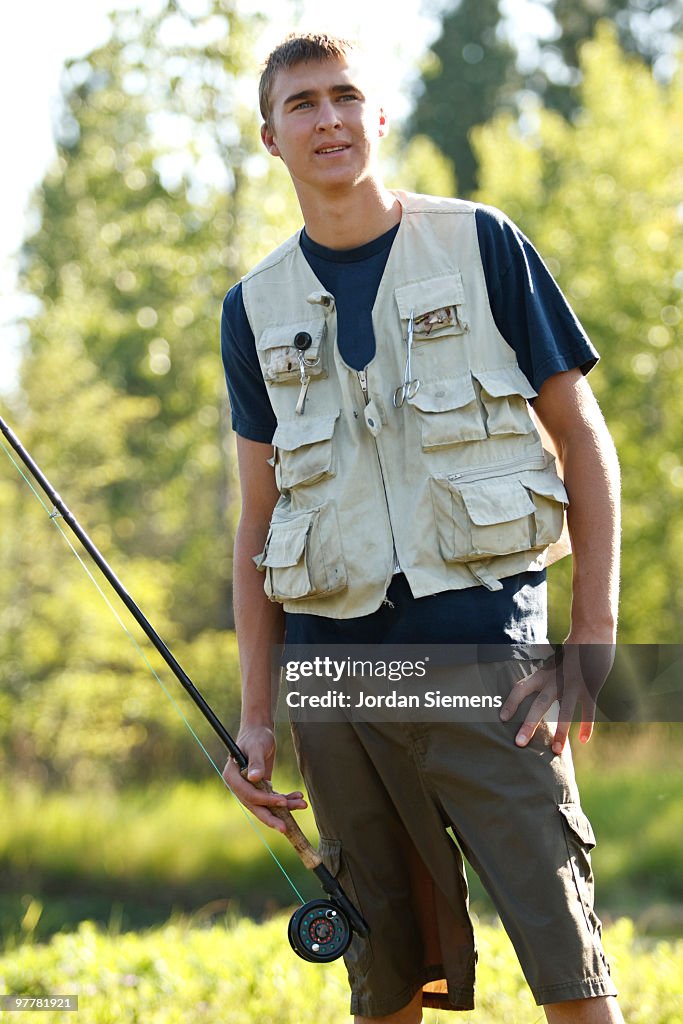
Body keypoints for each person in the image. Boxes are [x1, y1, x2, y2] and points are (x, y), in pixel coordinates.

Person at [221, 32, 623, 1024]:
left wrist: (591, 637)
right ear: (268, 137)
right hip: (332, 681)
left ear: (378, 115)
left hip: (487, 659)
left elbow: (581, 439)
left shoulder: (481, 242)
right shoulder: (250, 308)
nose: (328, 119)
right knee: (389, 982)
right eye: (303, 104)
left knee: (569, 968)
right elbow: (256, 523)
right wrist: (258, 714)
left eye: (344, 96)